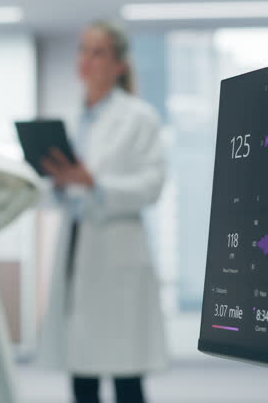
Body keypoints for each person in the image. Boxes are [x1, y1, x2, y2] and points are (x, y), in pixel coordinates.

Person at [37, 20, 168, 403]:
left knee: (125, 373)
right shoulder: (74, 119)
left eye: (98, 52)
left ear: (119, 65)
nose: (87, 59)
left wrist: (93, 183)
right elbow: (62, 191)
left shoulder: (139, 117)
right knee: (82, 368)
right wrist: (61, 182)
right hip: (78, 248)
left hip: (118, 251)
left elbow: (151, 186)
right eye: (82, 49)